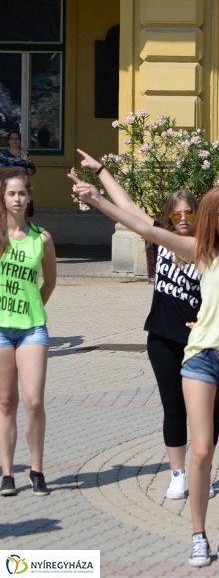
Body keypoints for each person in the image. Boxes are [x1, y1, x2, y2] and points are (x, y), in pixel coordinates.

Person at [70, 170, 219, 568]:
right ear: (213, 217)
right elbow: (143, 227)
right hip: (200, 358)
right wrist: (97, 199)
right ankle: (199, 536)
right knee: (201, 451)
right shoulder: (200, 251)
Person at [72, 150, 219, 501]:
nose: (182, 219)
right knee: (174, 405)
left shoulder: (208, 249)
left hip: (202, 340)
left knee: (209, 409)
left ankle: (203, 470)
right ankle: (178, 474)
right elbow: (127, 208)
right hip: (163, 338)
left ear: (198, 215)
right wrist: (101, 171)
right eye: (176, 214)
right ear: (168, 218)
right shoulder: (161, 239)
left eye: (189, 213)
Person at [0, 173, 56, 497]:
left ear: (29, 197)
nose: (17, 199)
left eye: (22, 193)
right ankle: (7, 474)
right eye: (11, 193)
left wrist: (33, 306)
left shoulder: (42, 238)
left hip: (32, 329)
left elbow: (50, 281)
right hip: (1, 330)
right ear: (3, 198)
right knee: (6, 402)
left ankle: (37, 470)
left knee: (33, 401)